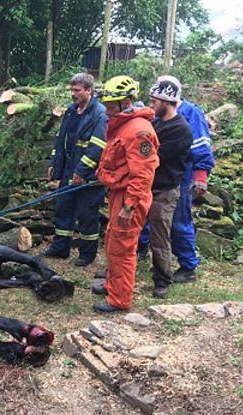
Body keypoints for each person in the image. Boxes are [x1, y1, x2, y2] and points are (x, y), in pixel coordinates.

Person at [138, 75, 215, 282]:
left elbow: (201, 146)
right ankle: (142, 251)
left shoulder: (191, 113)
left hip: (180, 174)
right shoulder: (156, 115)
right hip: (154, 175)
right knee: (146, 217)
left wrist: (201, 175)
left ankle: (188, 265)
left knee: (179, 221)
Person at [92, 75, 159, 313]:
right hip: (119, 194)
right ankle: (113, 285)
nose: (107, 111)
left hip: (131, 198)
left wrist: (129, 206)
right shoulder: (123, 125)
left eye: (112, 106)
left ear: (127, 102)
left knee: (122, 246)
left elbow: (143, 174)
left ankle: (119, 299)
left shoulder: (140, 131)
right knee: (113, 241)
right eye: (107, 106)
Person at [44, 73, 108, 267]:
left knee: (87, 214)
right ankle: (60, 248)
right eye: (71, 90)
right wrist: (55, 165)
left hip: (89, 176)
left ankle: (87, 254)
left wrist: (81, 172)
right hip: (68, 171)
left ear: (89, 90)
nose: (73, 94)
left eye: (77, 90)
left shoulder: (100, 114)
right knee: (63, 208)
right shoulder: (71, 111)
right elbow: (61, 139)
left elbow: (97, 147)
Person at [145, 76, 193, 298]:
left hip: (164, 191)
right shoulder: (156, 123)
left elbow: (155, 157)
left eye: (154, 101)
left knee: (159, 237)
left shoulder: (181, 129)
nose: (151, 104)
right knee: (130, 231)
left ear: (167, 101)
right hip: (145, 187)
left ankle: (162, 280)